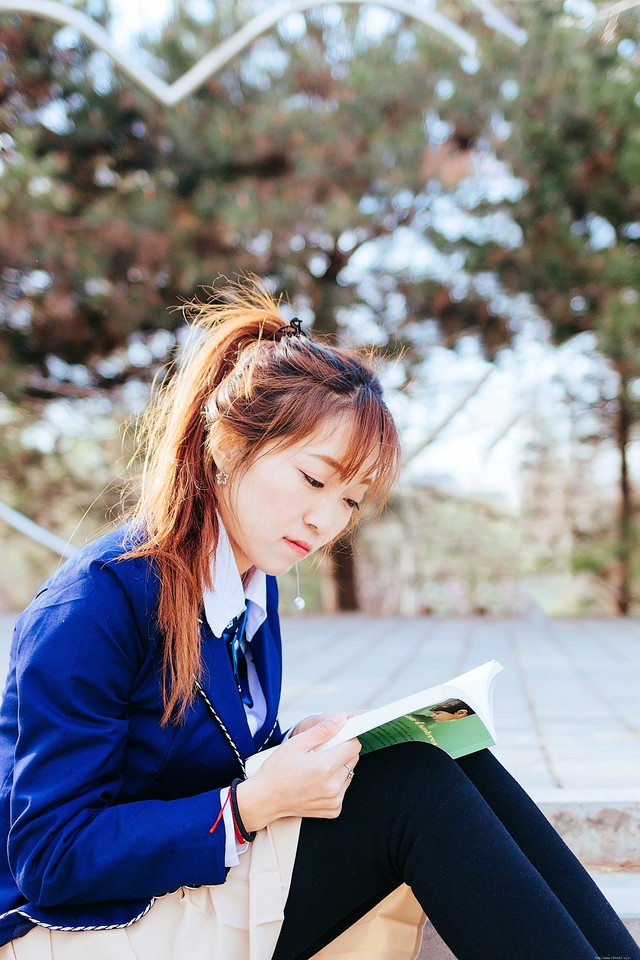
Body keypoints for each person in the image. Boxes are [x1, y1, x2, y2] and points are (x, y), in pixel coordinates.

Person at [0, 283, 637, 960]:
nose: (325, 521)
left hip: (177, 885)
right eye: (312, 480)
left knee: (452, 753)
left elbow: (191, 746)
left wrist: (280, 748)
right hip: (72, 928)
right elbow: (48, 855)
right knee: (411, 790)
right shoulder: (97, 603)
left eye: (350, 501)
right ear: (224, 444)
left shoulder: (249, 583)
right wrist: (246, 806)